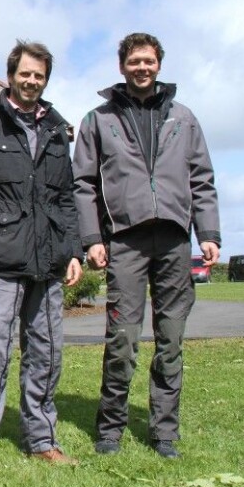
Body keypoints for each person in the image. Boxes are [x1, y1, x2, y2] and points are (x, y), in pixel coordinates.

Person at [72, 32, 221, 459]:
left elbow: (202, 180)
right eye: (134, 61)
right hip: (125, 242)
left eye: (149, 61)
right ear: (122, 66)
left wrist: (208, 234)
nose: (142, 67)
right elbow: (82, 184)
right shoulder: (98, 120)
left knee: (171, 340)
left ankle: (165, 432)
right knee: (121, 339)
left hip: (174, 239)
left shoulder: (184, 118)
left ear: (159, 65)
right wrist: (92, 239)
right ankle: (111, 429)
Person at [0, 40, 82, 482]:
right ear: (11, 75)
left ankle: (42, 441)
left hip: (48, 265)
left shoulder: (58, 130)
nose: (32, 81)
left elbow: (65, 198)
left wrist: (74, 250)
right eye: (25, 73)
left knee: (45, 355)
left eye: (39, 75)